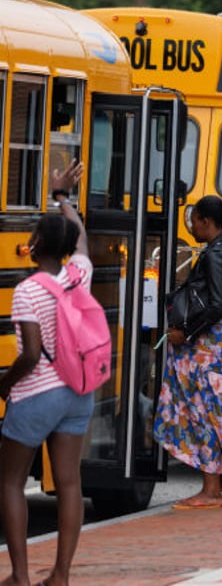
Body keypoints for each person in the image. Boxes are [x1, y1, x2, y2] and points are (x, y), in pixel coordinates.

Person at [0, 161, 91, 586]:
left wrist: (4, 385)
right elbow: (82, 236)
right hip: (79, 390)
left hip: (38, 394)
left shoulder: (28, 290)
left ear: (35, 244)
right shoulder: (81, 274)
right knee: (70, 483)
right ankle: (60, 576)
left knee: (12, 481)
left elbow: (32, 353)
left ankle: (19, 575)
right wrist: (63, 199)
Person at [154, 195, 222, 509]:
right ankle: (221, 474)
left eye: (193, 220)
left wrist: (186, 332)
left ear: (205, 221)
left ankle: (213, 488)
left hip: (210, 338)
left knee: (202, 408)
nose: (191, 226)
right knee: (209, 405)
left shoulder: (213, 255)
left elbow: (216, 304)